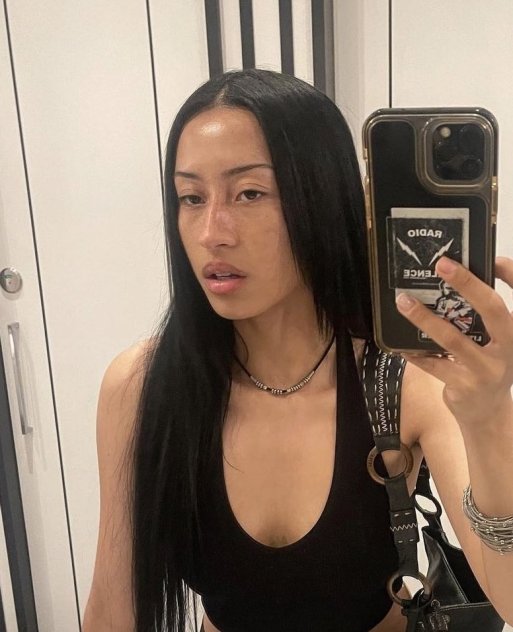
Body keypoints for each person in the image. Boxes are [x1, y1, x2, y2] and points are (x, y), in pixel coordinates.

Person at [83, 68, 513, 632]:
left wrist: (489, 418)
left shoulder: (407, 383)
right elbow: (113, 610)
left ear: (321, 198)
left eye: (250, 193)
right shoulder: (140, 386)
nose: (212, 232)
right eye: (191, 197)